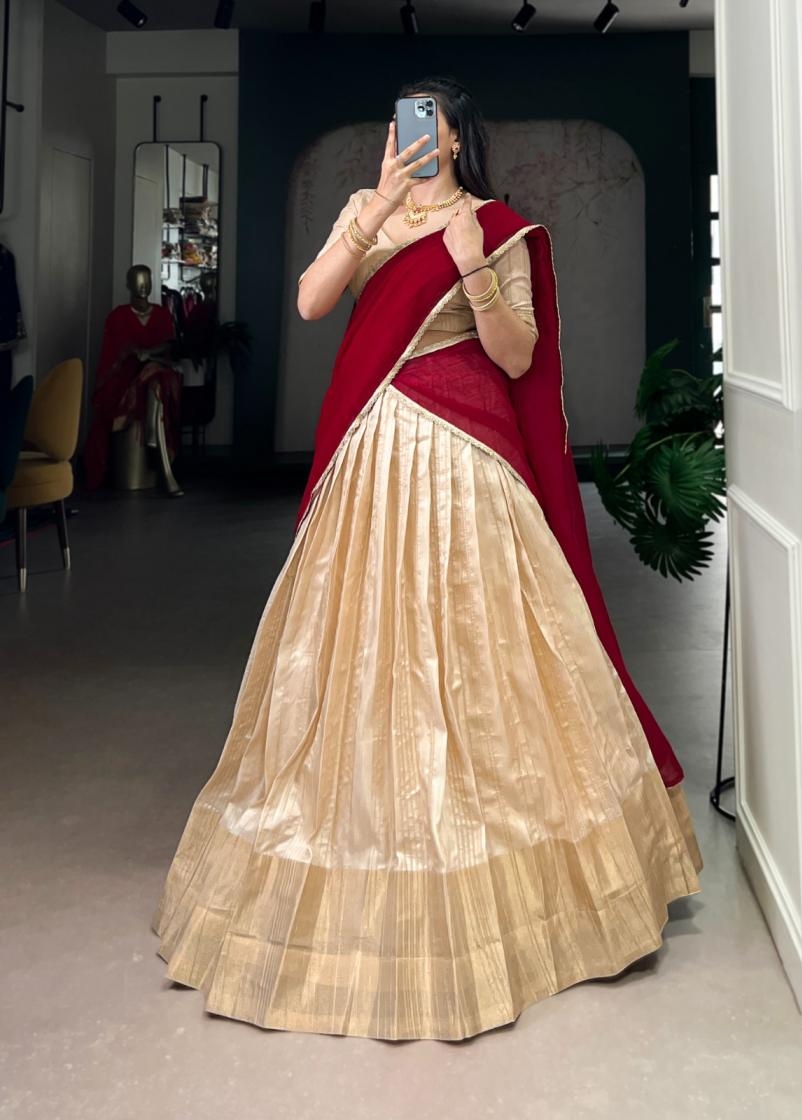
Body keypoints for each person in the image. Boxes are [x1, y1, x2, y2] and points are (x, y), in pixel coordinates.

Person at [151, 76, 703, 1041]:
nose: (409, 134)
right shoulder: (365, 211)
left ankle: (530, 891)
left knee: (491, 659)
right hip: (373, 456)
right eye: (399, 121)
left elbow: (518, 357)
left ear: (454, 139)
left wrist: (473, 264)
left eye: (426, 121)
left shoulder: (497, 227)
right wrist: (368, 215)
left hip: (469, 468)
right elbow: (312, 303)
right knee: (363, 654)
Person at [82, 264, 184, 496]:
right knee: (151, 378)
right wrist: (133, 353)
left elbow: (169, 347)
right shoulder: (118, 316)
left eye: (147, 280)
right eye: (138, 280)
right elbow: (114, 354)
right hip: (126, 377)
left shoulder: (161, 314)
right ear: (128, 284)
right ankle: (159, 456)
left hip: (158, 374)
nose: (143, 285)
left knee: (156, 377)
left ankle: (153, 436)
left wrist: (149, 354)